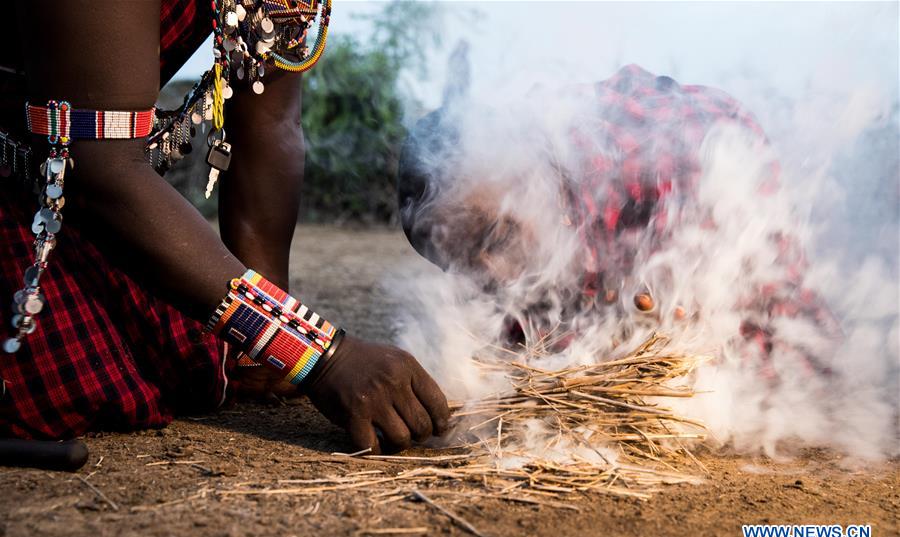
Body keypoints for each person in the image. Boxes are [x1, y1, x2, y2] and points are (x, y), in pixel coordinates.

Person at [0, 0, 449, 454]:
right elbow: (99, 167)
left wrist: (267, 341)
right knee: (71, 384)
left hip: (79, 206)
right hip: (51, 196)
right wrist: (316, 353)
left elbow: (270, 123)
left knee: (196, 359)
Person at [398, 64, 840, 373]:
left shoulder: (683, 156)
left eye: (497, 237)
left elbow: (798, 343)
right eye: (468, 269)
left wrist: (700, 336)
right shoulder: (515, 227)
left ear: (534, 172)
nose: (497, 275)